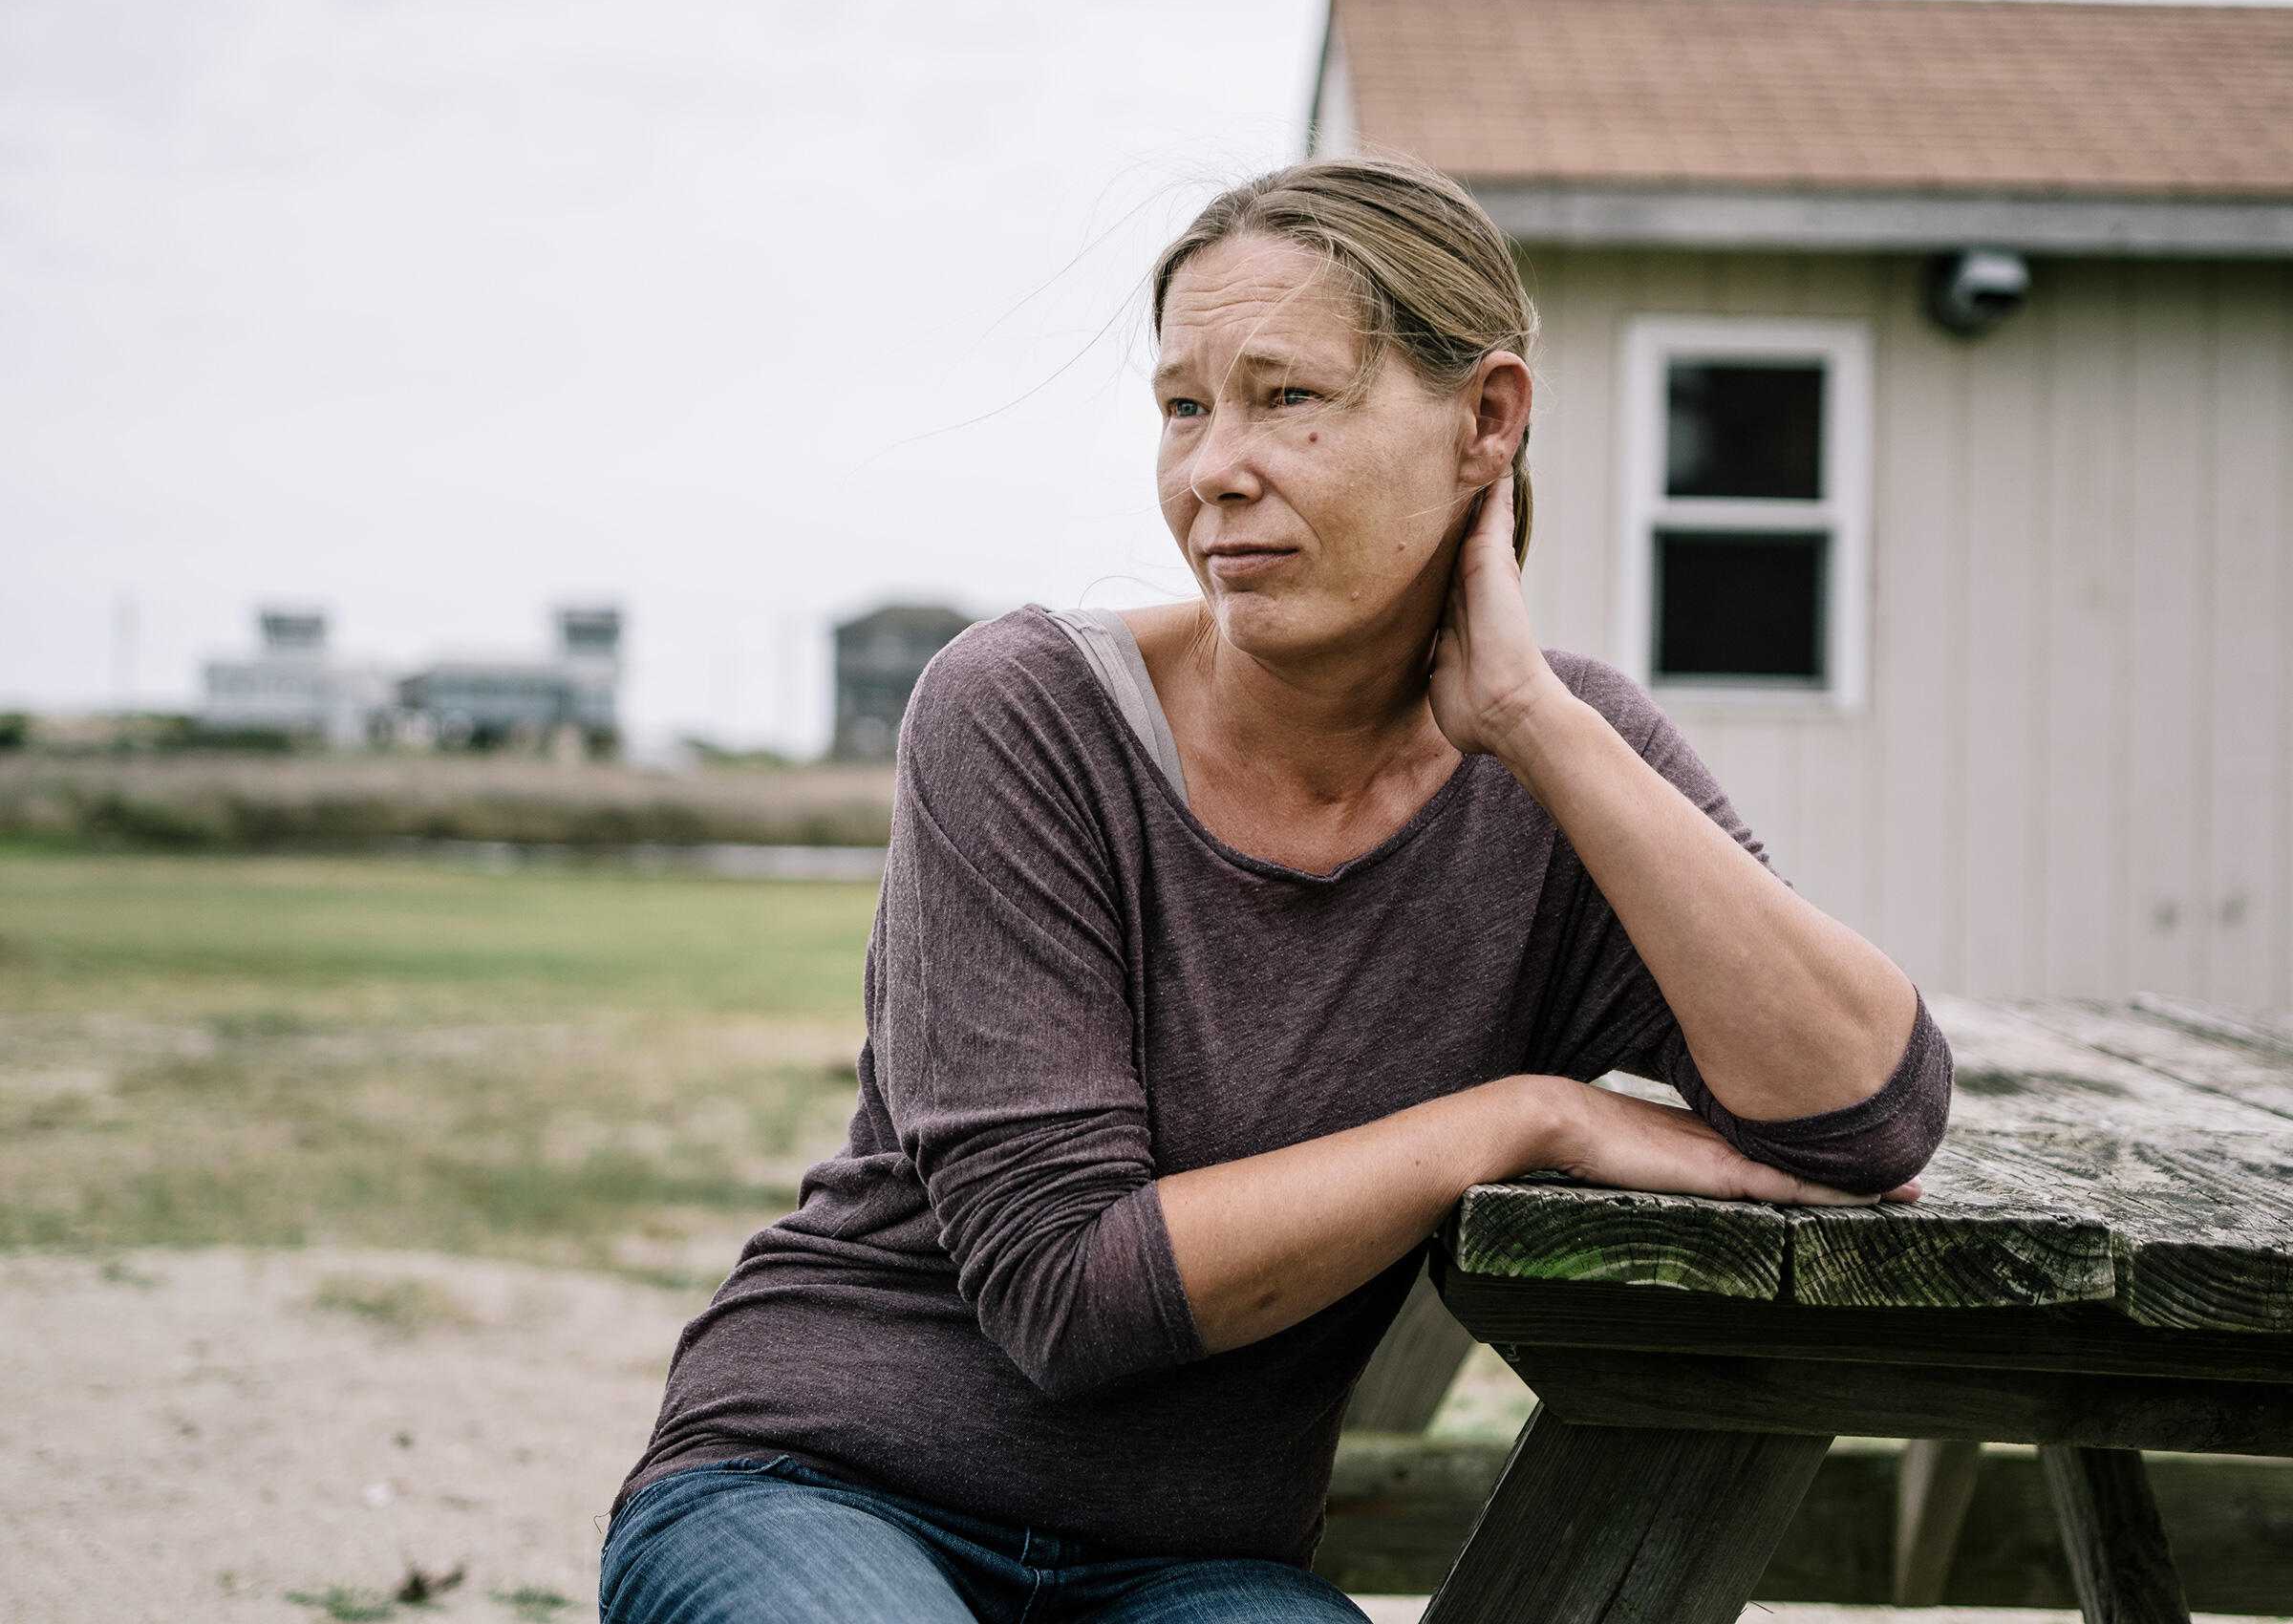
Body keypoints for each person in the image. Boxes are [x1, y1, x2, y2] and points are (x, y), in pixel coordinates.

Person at [600, 159, 1952, 1624]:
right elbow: (1066, 1291)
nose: (1213, 471)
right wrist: (1523, 1117)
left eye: (1287, 396)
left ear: (1487, 422)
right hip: (822, 1481)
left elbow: (1867, 1120)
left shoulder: (1563, 768)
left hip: (1197, 1565)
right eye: (1185, 408)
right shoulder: (1025, 711)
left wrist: (1534, 722)